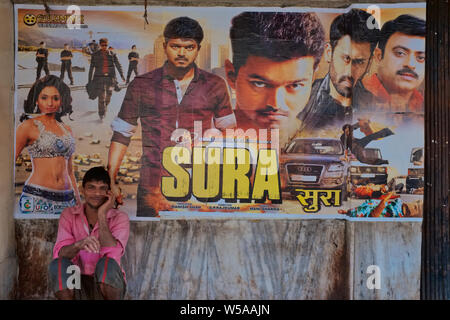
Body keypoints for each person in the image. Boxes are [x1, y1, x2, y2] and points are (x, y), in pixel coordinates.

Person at [108, 16, 236, 216]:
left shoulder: (215, 84)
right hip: (153, 185)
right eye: (176, 46)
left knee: (200, 243)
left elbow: (228, 135)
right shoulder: (142, 85)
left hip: (201, 186)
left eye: (189, 47)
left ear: (198, 49)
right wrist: (111, 180)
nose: (182, 53)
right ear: (164, 45)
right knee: (149, 242)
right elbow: (121, 135)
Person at [225, 12, 325, 146]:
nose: (276, 104)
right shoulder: (201, 136)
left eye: (295, 86)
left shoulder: (323, 138)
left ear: (313, 79)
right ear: (231, 76)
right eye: (260, 84)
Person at [48, 167, 130, 300]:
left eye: (102, 188)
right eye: (91, 187)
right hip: (77, 283)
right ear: (82, 190)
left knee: (107, 264)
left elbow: (113, 255)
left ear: (108, 192)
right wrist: (78, 245)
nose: (97, 193)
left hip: (106, 285)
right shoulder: (69, 215)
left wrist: (102, 214)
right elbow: (61, 254)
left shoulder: (120, 218)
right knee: (58, 264)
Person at [298, 9, 380, 131]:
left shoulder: (376, 106)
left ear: (369, 64)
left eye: (359, 62)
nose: (349, 72)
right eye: (346, 58)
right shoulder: (302, 99)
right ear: (328, 53)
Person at [15, 75, 80, 214]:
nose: (50, 103)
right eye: (44, 97)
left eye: (55, 98)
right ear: (37, 100)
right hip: (37, 196)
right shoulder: (27, 126)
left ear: (61, 99)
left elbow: (70, 172)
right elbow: (7, 165)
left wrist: (79, 203)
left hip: (68, 199)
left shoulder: (67, 129)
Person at [354, 14, 425, 113]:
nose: (410, 64)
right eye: (400, 53)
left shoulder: (426, 105)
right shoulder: (353, 97)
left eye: (421, 58)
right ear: (378, 56)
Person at [88, 38, 125, 120]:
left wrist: (122, 75)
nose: (104, 47)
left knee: (109, 95)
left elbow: (118, 65)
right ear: (100, 45)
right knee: (101, 96)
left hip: (111, 78)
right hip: (99, 78)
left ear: (107, 45)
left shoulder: (112, 54)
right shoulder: (95, 55)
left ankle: (105, 106)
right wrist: (89, 80)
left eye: (106, 45)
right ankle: (101, 113)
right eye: (102, 45)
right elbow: (91, 68)